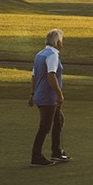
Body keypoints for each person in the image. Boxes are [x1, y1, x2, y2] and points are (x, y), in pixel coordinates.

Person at [29, 28, 69, 167]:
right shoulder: (52, 55)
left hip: (41, 95)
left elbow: (34, 76)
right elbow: (51, 75)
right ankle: (36, 156)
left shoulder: (39, 54)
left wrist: (32, 94)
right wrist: (59, 94)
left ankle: (56, 152)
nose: (62, 43)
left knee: (59, 120)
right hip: (48, 97)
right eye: (61, 41)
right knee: (45, 127)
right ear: (57, 42)